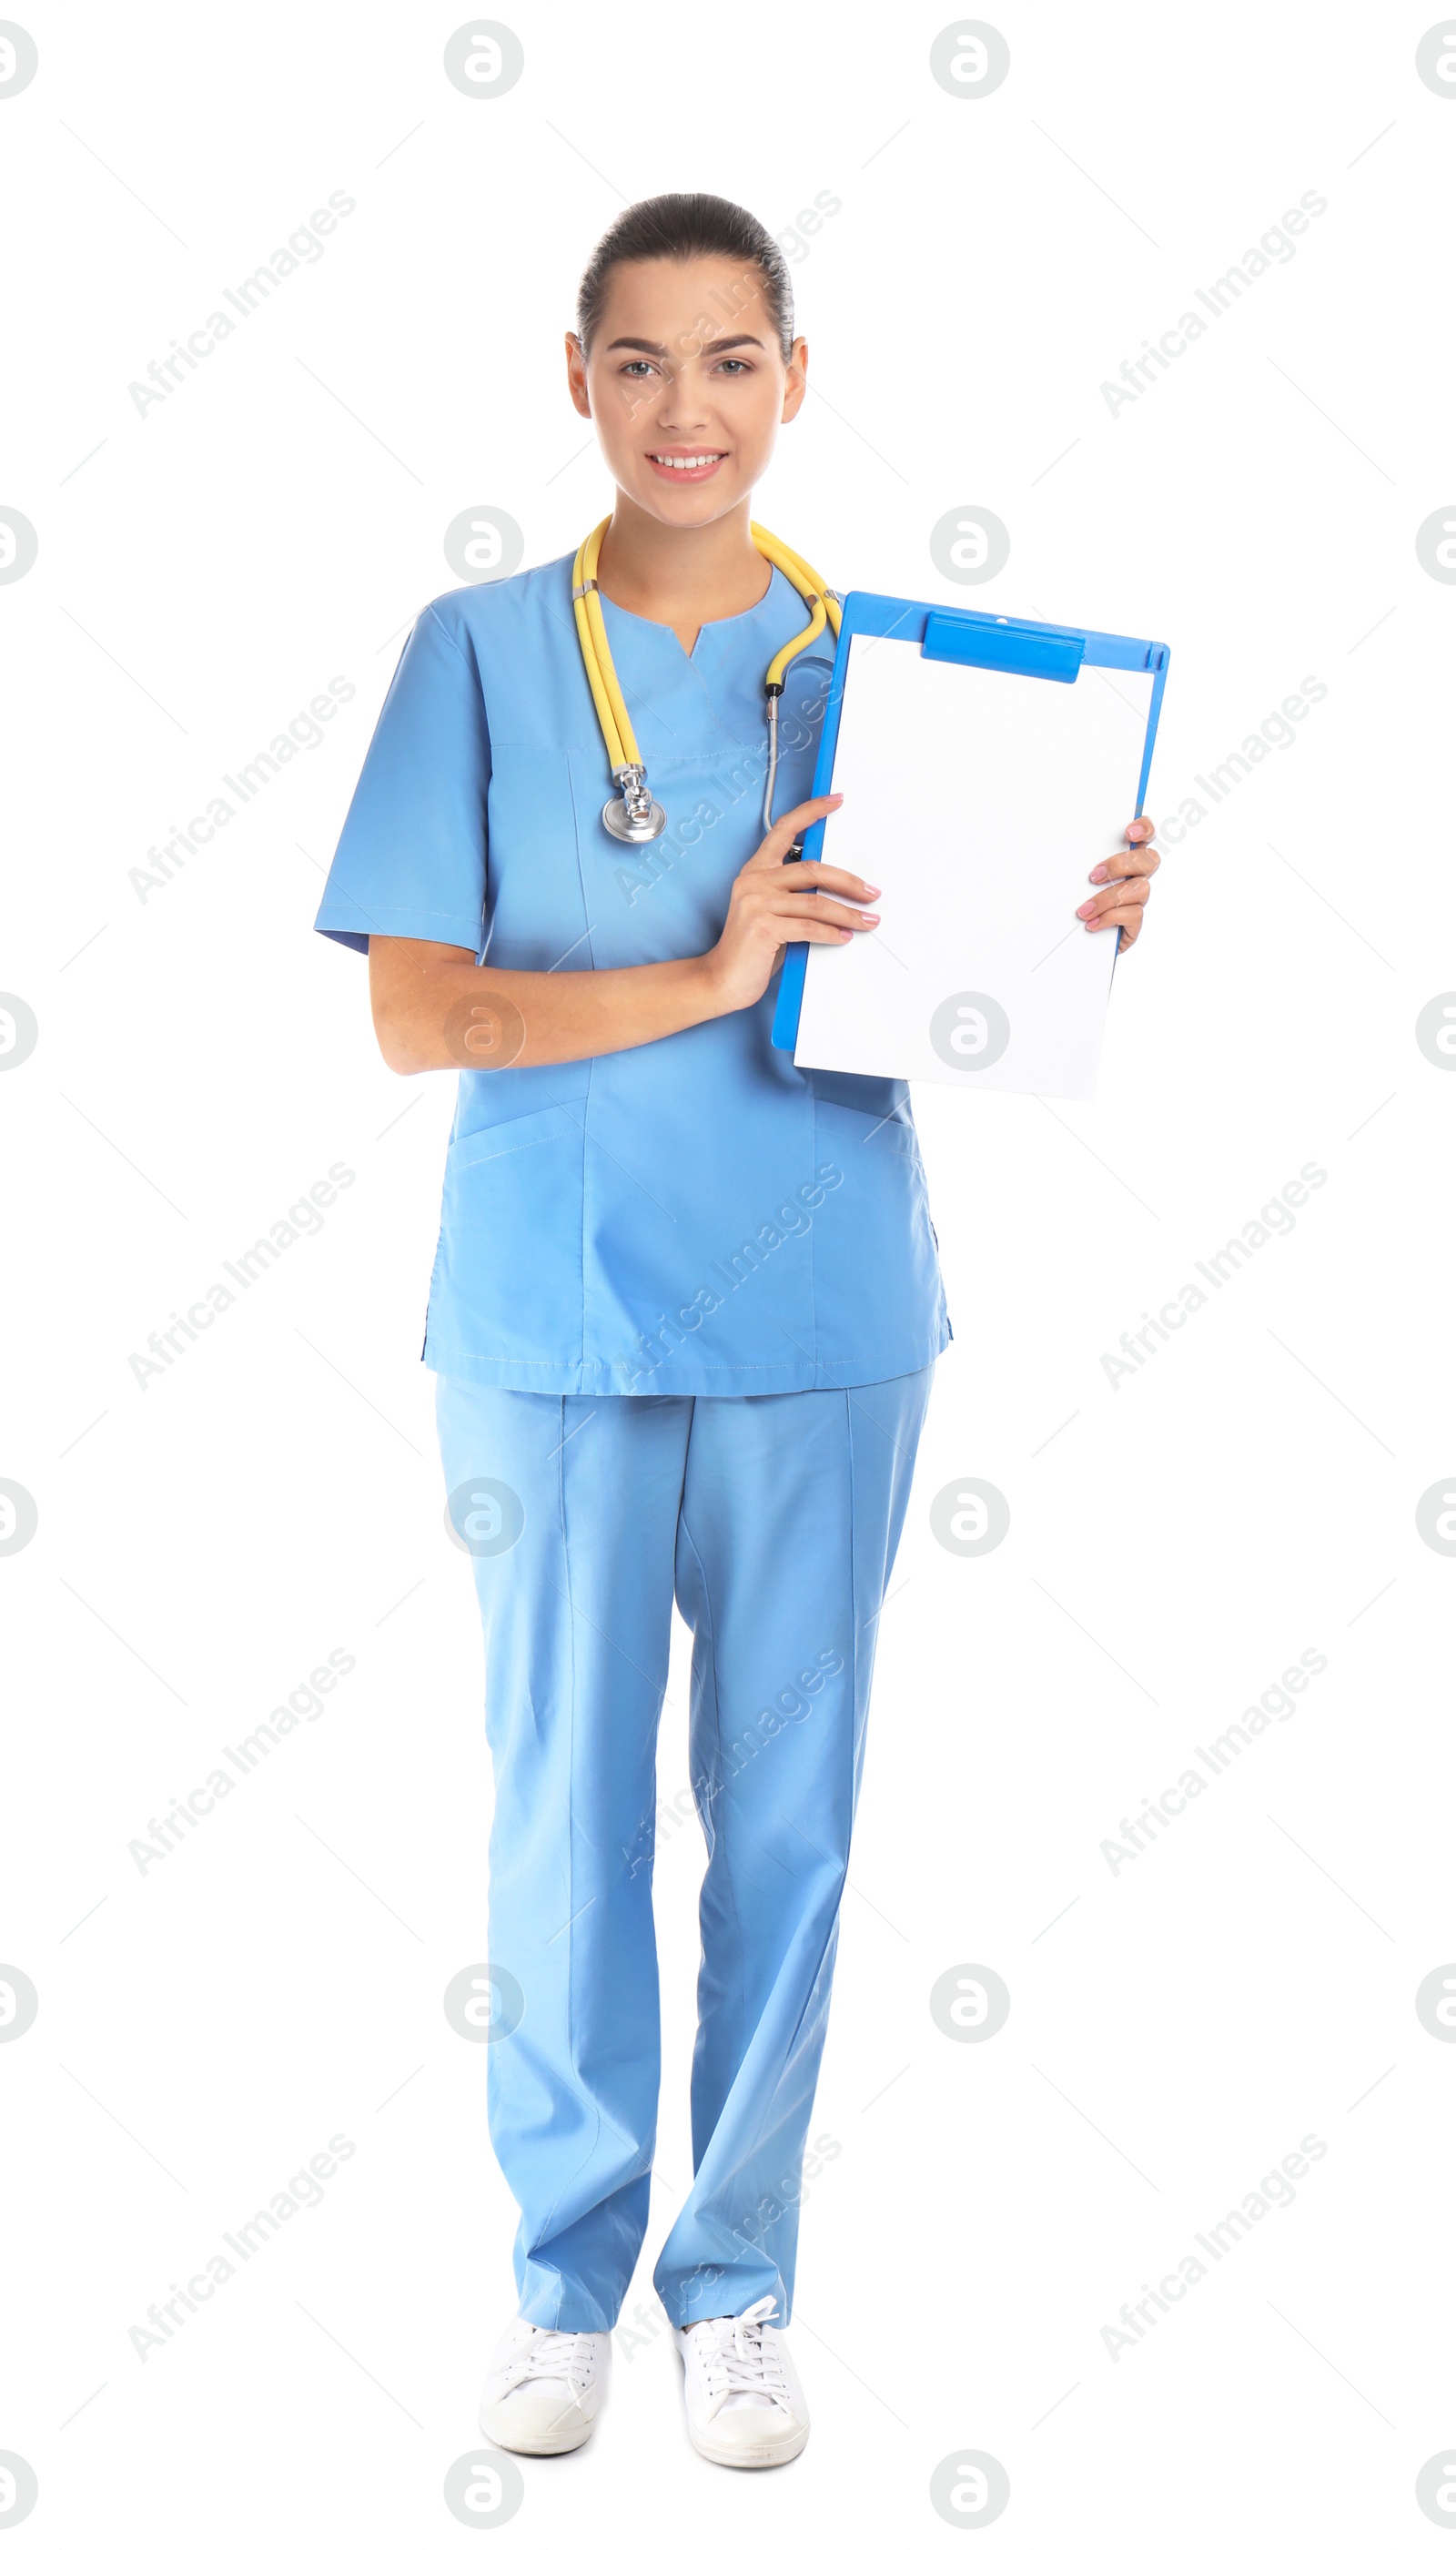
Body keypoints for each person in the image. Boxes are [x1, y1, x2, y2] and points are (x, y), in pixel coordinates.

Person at [314, 191, 1159, 2471]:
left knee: (787, 1823)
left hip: (823, 1317)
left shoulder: (891, 674)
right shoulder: (478, 653)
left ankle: (740, 2284)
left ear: (796, 378)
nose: (684, 410)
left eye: (728, 362)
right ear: (573, 383)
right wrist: (700, 966)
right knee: (560, 1821)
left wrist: (1075, 917)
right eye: (638, 363)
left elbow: (968, 1003)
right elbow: (416, 1015)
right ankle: (561, 2279)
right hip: (554, 1324)